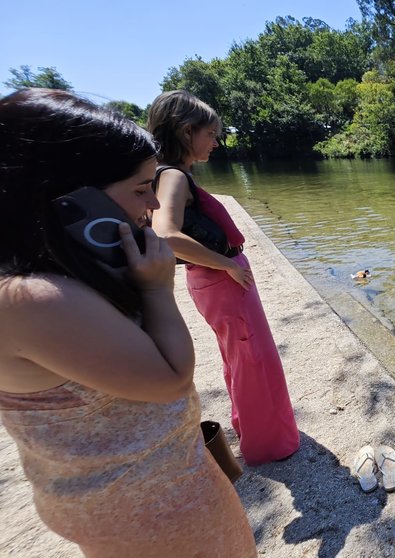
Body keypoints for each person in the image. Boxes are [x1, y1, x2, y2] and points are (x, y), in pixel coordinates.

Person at [0, 88, 256, 556]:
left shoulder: (60, 275)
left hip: (153, 496)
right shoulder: (29, 300)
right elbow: (172, 378)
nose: (153, 207)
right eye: (141, 190)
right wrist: (157, 288)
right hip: (145, 513)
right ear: (67, 201)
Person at [147, 91, 299, 466]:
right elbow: (164, 234)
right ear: (186, 131)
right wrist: (226, 264)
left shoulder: (173, 174)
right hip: (222, 283)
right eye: (211, 133)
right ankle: (270, 446)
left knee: (241, 358)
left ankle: (252, 429)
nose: (216, 142)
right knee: (254, 360)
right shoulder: (173, 176)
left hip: (217, 283)